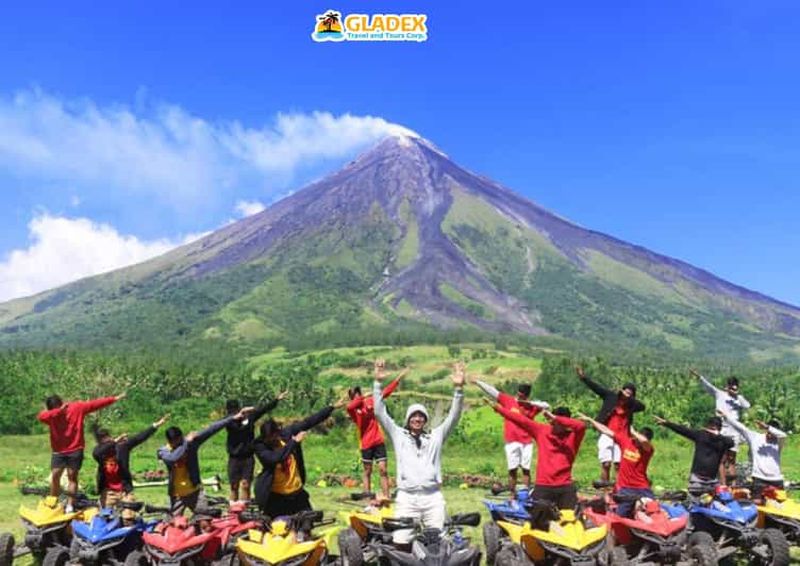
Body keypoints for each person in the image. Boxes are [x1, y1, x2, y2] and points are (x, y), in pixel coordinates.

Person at [374, 362, 465, 544]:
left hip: (432, 497)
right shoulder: (398, 435)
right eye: (413, 416)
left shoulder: (435, 437)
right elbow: (379, 412)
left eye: (421, 416)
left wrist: (458, 389)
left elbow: (453, 416)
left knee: (438, 540)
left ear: (425, 420)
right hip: (407, 497)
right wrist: (377, 384)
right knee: (401, 540)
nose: (417, 419)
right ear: (408, 420)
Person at [252, 397, 347, 518]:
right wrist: (294, 442)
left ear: (278, 433)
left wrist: (331, 407)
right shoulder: (259, 446)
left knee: (307, 524)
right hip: (276, 496)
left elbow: (309, 422)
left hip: (296, 493)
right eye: (268, 439)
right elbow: (275, 458)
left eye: (273, 437)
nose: (271, 441)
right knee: (277, 529)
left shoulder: (286, 434)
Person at [486, 398, 586, 510]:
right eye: (554, 422)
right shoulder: (541, 430)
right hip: (544, 485)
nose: (557, 425)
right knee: (535, 521)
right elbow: (520, 420)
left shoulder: (574, 436)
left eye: (562, 422)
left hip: (565, 486)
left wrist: (556, 418)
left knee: (571, 521)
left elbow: (581, 426)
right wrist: (499, 409)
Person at [37, 392, 126, 509]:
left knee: (72, 477)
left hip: (75, 449)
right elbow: (41, 417)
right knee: (55, 475)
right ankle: (52, 502)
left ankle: (70, 505)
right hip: (59, 451)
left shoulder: (76, 408)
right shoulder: (51, 416)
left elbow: (95, 404)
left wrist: (114, 398)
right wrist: (58, 412)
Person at [157, 406, 253, 515]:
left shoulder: (191, 443)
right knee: (173, 523)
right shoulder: (163, 451)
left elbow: (211, 429)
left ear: (182, 436)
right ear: (169, 441)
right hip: (176, 495)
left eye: (180, 441)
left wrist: (233, 418)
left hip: (194, 491)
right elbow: (174, 458)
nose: (179, 443)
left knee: (204, 520)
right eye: (176, 442)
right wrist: (185, 443)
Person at [474, 379, 549, 496]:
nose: (518, 396)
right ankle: (512, 496)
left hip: (527, 441)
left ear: (526, 395)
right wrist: (478, 382)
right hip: (512, 440)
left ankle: (525, 496)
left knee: (526, 470)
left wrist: (530, 403)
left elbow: (546, 405)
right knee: (512, 470)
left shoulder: (531, 406)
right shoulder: (509, 400)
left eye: (521, 395)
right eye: (518, 394)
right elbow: (493, 392)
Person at [92, 414, 169, 521]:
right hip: (108, 492)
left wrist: (156, 425)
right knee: (104, 519)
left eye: (109, 440)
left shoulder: (122, 447)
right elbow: (98, 452)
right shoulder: (99, 453)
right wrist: (114, 441)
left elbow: (139, 438)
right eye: (105, 442)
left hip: (124, 490)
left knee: (128, 518)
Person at [347, 361, 407, 499]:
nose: (357, 396)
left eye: (358, 393)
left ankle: (386, 496)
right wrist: (364, 396)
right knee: (367, 471)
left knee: (383, 470)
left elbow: (384, 393)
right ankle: (367, 495)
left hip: (378, 440)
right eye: (354, 394)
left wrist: (397, 379)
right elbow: (351, 406)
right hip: (365, 443)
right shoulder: (352, 410)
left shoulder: (369, 402)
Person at [578, 413, 654, 517]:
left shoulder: (648, 449)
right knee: (620, 516)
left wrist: (633, 432)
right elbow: (606, 430)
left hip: (642, 487)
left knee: (653, 511)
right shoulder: (626, 441)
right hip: (626, 488)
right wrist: (591, 420)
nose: (638, 441)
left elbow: (644, 441)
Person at [576, 366, 644, 483]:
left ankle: (619, 488)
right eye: (626, 391)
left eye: (630, 393)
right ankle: (605, 486)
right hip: (606, 432)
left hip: (622, 436)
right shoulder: (610, 396)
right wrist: (584, 378)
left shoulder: (632, 405)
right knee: (606, 463)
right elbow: (596, 388)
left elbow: (642, 407)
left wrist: (629, 399)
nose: (627, 394)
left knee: (618, 464)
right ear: (621, 390)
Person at [225, 391, 289, 503]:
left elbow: (263, 409)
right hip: (234, 457)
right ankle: (233, 509)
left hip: (248, 456)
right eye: (232, 411)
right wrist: (238, 415)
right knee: (234, 486)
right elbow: (230, 424)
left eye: (235, 409)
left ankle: (244, 508)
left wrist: (276, 400)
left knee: (245, 484)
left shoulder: (250, 418)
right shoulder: (229, 422)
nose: (234, 412)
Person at [691, 369, 750, 485]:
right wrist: (699, 377)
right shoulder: (720, 394)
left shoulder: (739, 399)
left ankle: (732, 486)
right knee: (721, 458)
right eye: (731, 387)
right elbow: (708, 386)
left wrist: (736, 395)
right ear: (727, 386)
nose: (733, 389)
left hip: (734, 430)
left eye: (735, 387)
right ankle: (723, 485)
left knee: (732, 459)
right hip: (721, 429)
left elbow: (747, 405)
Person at [654, 415, 733, 495]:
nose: (714, 428)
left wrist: (718, 435)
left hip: (712, 480)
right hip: (697, 478)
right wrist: (666, 423)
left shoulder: (722, 441)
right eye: (712, 426)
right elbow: (683, 430)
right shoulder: (701, 435)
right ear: (708, 426)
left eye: (717, 427)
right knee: (695, 500)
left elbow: (731, 443)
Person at [718, 410, 787, 499]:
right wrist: (727, 417)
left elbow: (783, 435)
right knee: (757, 502)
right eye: (769, 432)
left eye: (773, 432)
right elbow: (741, 428)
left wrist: (767, 427)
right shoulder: (755, 437)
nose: (771, 435)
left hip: (776, 479)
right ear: (766, 431)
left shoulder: (778, 442)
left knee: (781, 502)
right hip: (759, 478)